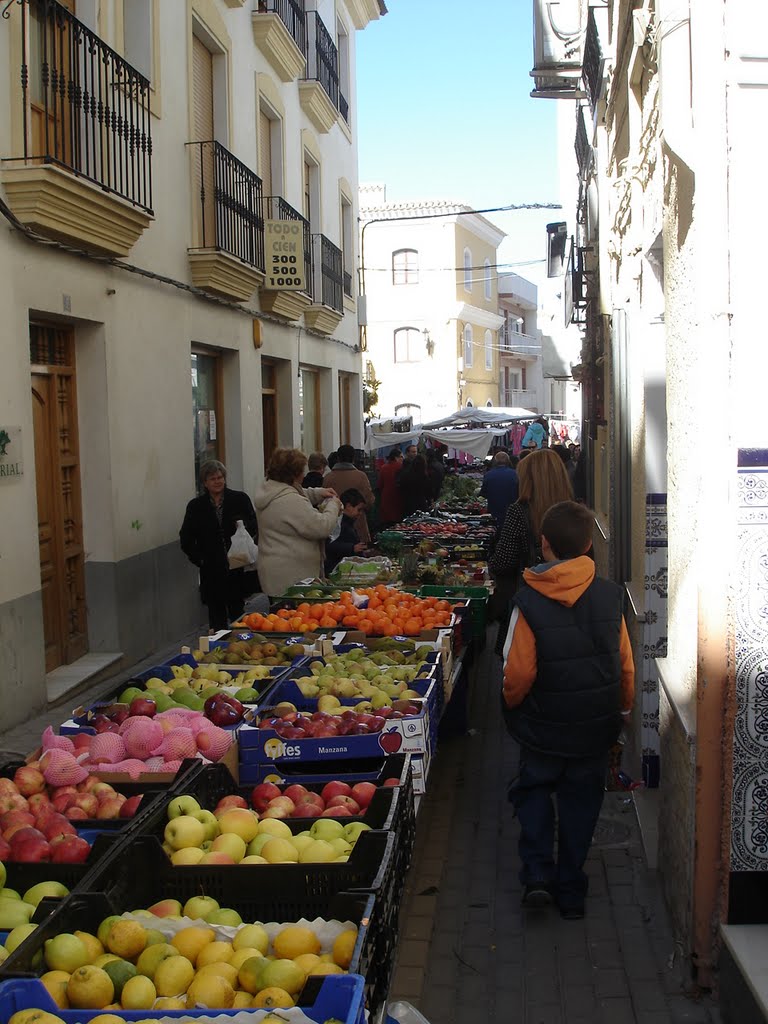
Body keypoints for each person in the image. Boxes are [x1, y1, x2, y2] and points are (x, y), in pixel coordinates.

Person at [501, 500, 635, 919]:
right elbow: (626, 666)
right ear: (589, 544)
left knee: (535, 791)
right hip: (595, 728)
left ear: (544, 545)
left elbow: (518, 673)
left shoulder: (527, 600)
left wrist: (512, 705)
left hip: (542, 726)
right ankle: (571, 888)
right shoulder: (611, 597)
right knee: (582, 803)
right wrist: (623, 711)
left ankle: (538, 873)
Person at [489, 449, 574, 654]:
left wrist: (491, 564)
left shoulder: (519, 511)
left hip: (530, 603)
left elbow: (503, 562)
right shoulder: (574, 511)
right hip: (570, 600)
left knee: (524, 660)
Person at [179, 460, 259, 630]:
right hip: (211, 570)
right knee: (216, 617)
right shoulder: (196, 507)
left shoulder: (239, 499)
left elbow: (254, 526)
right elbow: (186, 538)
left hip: (237, 567)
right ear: (205, 483)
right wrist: (200, 560)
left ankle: (240, 645)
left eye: (220, 477)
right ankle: (219, 646)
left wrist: (243, 530)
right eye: (213, 478)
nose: (218, 481)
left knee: (239, 615)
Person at [253, 448, 342, 596]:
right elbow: (321, 526)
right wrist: (334, 504)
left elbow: (298, 493)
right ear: (294, 474)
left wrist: (317, 493)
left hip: (275, 570)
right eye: (301, 471)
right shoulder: (289, 500)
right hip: (291, 577)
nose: (304, 474)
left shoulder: (271, 490)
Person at [322, 444, 375, 544]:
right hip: (357, 524)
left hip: (334, 524)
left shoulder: (328, 477)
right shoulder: (361, 476)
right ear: (353, 458)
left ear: (338, 458)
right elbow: (369, 500)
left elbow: (324, 503)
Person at [325, 488, 369, 574]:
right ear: (348, 506)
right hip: (336, 569)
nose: (360, 513)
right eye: (359, 509)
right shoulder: (338, 523)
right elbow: (329, 545)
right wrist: (352, 548)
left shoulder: (347, 522)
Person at [480, 451, 520, 529]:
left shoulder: (488, 474)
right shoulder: (515, 474)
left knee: (496, 531)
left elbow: (483, 493)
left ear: (495, 461)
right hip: (511, 511)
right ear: (508, 461)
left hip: (494, 510)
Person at [376, 449, 404, 528]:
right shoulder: (401, 467)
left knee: (387, 521)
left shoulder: (384, 467)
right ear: (396, 457)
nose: (402, 459)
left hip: (386, 497)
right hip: (398, 497)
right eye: (401, 457)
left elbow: (380, 484)